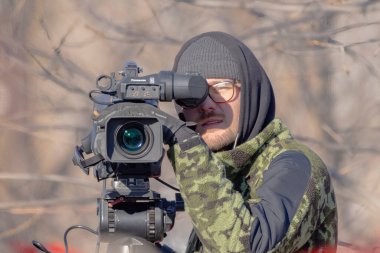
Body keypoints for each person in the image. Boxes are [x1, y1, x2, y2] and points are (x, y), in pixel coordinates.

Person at [152, 31, 337, 253]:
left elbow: (246, 247)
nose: (207, 105)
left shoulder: (294, 165)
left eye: (221, 88)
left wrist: (186, 145)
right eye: (192, 94)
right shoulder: (221, 176)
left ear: (250, 92)